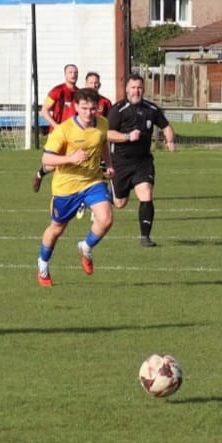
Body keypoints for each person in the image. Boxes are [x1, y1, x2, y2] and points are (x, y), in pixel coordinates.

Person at [36, 88, 115, 287]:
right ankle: (43, 264)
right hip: (66, 187)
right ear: (76, 107)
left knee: (106, 219)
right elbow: (46, 159)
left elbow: (102, 143)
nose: (89, 113)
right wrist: (71, 158)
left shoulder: (102, 124)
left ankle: (85, 247)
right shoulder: (64, 130)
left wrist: (109, 164)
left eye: (93, 108)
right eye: (84, 108)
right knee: (57, 229)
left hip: (92, 181)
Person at [107, 74, 176, 247]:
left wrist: (170, 139)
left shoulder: (151, 109)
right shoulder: (118, 110)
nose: (136, 91)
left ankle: (145, 237)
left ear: (143, 89)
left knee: (146, 193)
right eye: (133, 87)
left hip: (142, 162)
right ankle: (103, 195)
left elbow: (166, 126)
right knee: (120, 203)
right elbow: (107, 134)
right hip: (120, 162)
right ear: (127, 89)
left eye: (139, 88)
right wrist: (127, 136)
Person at [33, 64, 79, 193]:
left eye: (75, 72)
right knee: (52, 166)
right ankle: (40, 174)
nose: (73, 74)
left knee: (74, 162)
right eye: (70, 72)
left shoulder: (79, 93)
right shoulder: (57, 91)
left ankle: (73, 192)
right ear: (65, 75)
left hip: (72, 134)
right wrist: (56, 126)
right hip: (57, 133)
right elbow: (45, 110)